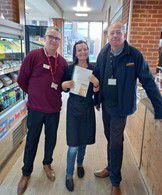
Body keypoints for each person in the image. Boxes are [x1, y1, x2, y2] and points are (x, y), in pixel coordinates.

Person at [93, 22, 162, 195]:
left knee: (116, 142)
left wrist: (159, 107)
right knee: (110, 138)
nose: (115, 36)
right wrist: (96, 99)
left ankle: (115, 181)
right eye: (112, 33)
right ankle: (110, 167)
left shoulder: (134, 55)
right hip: (107, 105)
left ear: (124, 35)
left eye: (118, 32)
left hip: (120, 109)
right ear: (108, 36)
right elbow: (98, 77)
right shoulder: (103, 52)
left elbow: (147, 81)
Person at [17, 27, 68, 195]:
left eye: (57, 39)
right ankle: (26, 173)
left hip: (54, 109)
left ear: (60, 42)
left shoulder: (62, 62)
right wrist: (33, 95)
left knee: (51, 140)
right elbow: (21, 80)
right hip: (36, 109)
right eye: (51, 37)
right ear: (45, 38)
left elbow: (63, 85)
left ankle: (47, 163)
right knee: (32, 141)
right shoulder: (33, 56)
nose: (54, 41)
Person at [61, 40, 99, 192]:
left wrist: (96, 84)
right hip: (73, 108)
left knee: (83, 141)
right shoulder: (70, 69)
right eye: (79, 50)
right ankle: (69, 175)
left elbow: (97, 92)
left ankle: (80, 164)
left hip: (88, 108)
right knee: (73, 145)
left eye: (85, 49)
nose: (82, 52)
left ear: (88, 51)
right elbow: (62, 87)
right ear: (75, 53)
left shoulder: (94, 68)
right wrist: (66, 84)